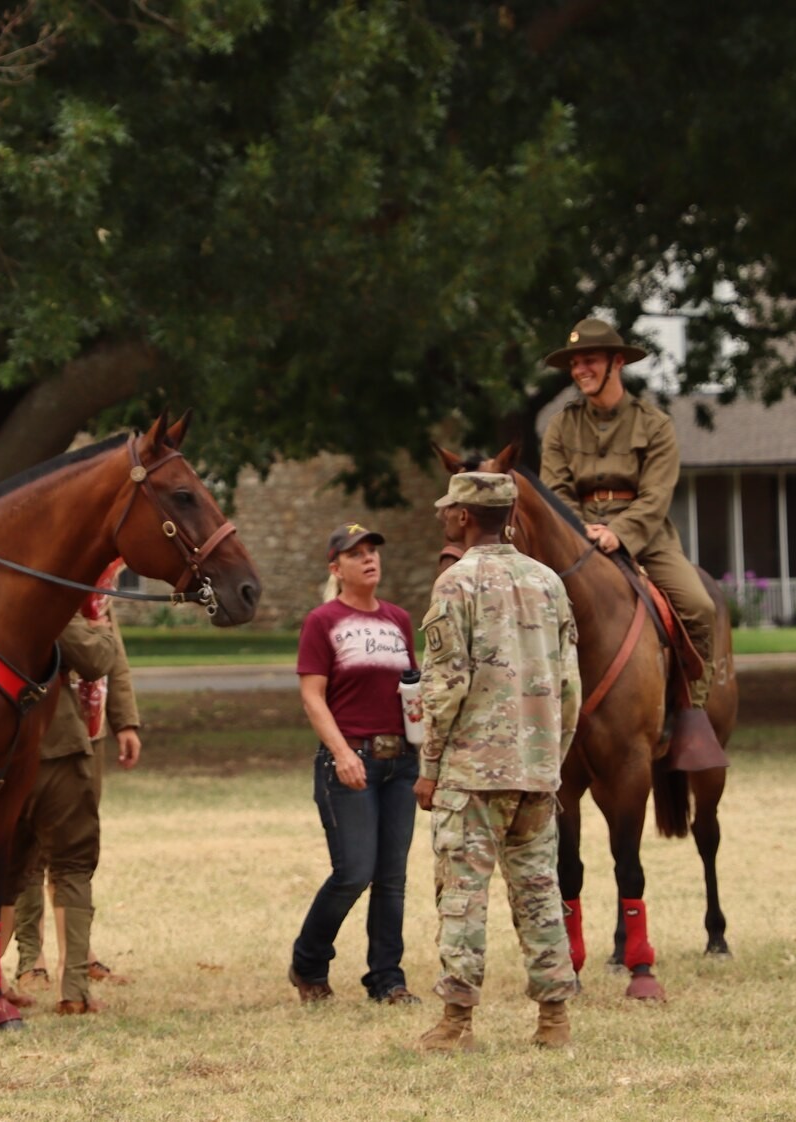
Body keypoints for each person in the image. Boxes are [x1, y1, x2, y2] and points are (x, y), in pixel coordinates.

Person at [415, 472, 581, 1053]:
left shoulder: (454, 583)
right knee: (539, 892)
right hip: (535, 769)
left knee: (462, 895)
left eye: (449, 511)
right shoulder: (549, 582)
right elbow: (568, 683)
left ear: (465, 517)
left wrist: (430, 766)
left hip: (472, 772)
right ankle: (553, 1022)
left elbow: (443, 685)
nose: (443, 518)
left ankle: (456, 1024)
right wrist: (550, 759)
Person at [539, 317, 720, 743]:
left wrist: (619, 533)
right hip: (575, 538)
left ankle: (689, 714)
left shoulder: (654, 424)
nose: (580, 370)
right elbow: (554, 490)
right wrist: (581, 530)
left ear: (617, 362)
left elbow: (657, 494)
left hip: (645, 536)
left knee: (700, 608)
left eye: (590, 360)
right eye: (575, 363)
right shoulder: (560, 426)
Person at [288, 522, 421, 1006]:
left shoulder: (399, 620)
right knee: (353, 872)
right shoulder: (323, 621)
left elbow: (411, 689)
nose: (369, 559)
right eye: (356, 554)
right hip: (350, 762)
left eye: (373, 552)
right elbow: (312, 696)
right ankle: (308, 962)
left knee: (392, 878)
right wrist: (343, 753)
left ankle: (387, 979)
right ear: (336, 568)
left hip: (400, 763)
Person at [0, 569, 141, 1015]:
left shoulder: (96, 589)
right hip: (52, 737)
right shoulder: (53, 590)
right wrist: (96, 635)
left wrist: (126, 721)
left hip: (85, 732)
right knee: (33, 857)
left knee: (64, 853)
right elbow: (99, 653)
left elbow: (113, 661)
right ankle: (32, 959)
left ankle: (73, 959)